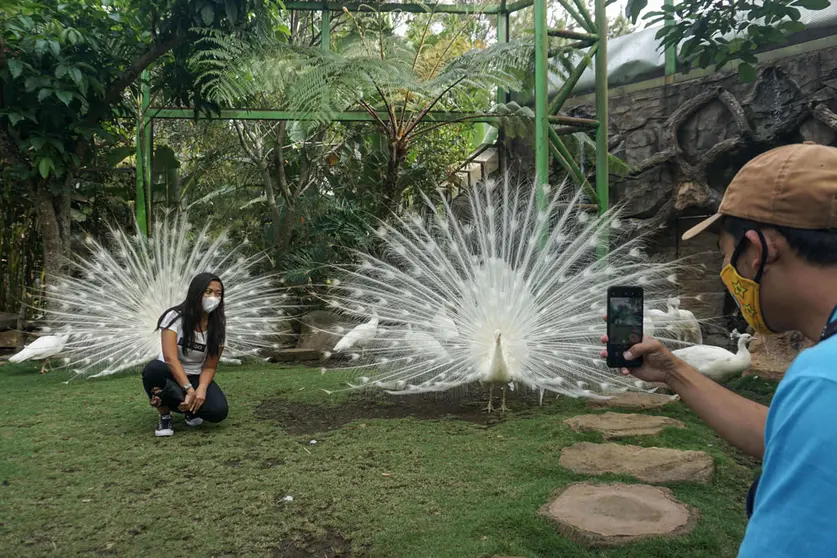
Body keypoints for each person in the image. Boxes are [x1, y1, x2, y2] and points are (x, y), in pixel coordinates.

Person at [602, 141, 837, 557]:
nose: (726, 273)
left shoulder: (823, 377)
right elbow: (791, 436)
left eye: (725, 255)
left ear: (761, 250)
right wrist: (674, 372)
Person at [142, 272, 229, 437]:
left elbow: (210, 365)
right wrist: (189, 390)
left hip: (196, 374)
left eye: (218, 294)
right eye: (208, 292)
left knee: (219, 411)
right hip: (170, 372)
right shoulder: (174, 318)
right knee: (152, 370)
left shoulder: (219, 327)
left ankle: (190, 409)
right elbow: (170, 358)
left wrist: (201, 389)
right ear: (197, 293)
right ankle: (165, 415)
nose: (213, 297)